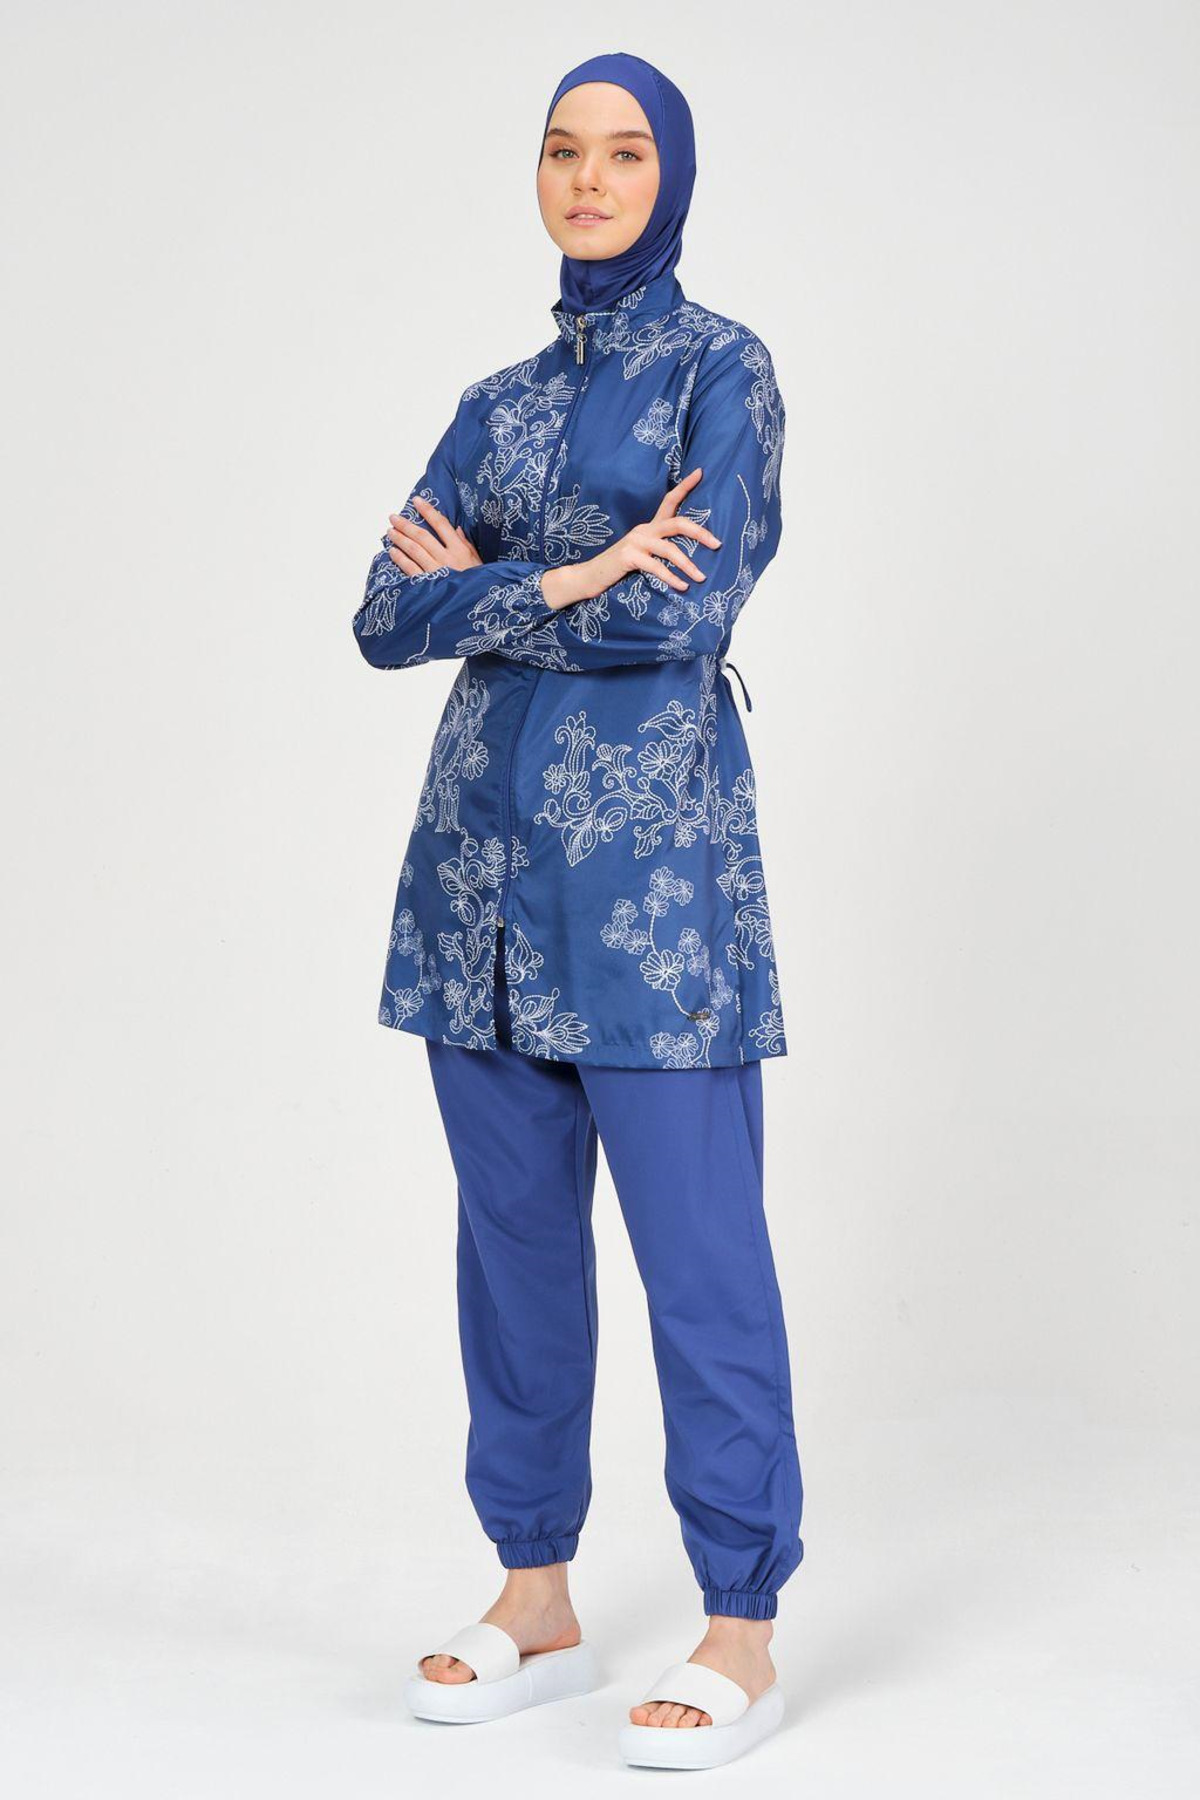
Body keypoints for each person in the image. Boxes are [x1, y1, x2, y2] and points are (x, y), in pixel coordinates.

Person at [352, 51, 803, 1771]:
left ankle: (740, 1624)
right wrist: (582, 565)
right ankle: (534, 1593)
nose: (591, 179)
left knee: (702, 1261)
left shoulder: (722, 374)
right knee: (513, 1256)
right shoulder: (495, 403)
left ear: (670, 176)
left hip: (650, 904)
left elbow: (685, 615)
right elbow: (381, 619)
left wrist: (491, 589)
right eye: (563, 151)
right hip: (473, 890)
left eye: (624, 154)